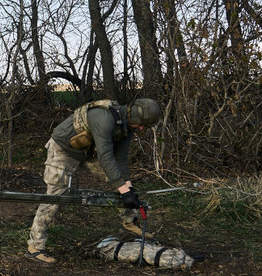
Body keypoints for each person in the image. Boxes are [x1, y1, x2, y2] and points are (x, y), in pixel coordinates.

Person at [25, 98, 163, 264]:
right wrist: (123, 189)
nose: (141, 128)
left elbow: (120, 160)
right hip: (63, 150)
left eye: (144, 126)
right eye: (141, 124)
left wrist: (129, 190)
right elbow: (105, 157)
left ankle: (129, 220)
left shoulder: (126, 126)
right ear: (134, 114)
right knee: (54, 197)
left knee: (121, 184)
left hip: (87, 151)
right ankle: (35, 246)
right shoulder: (104, 119)